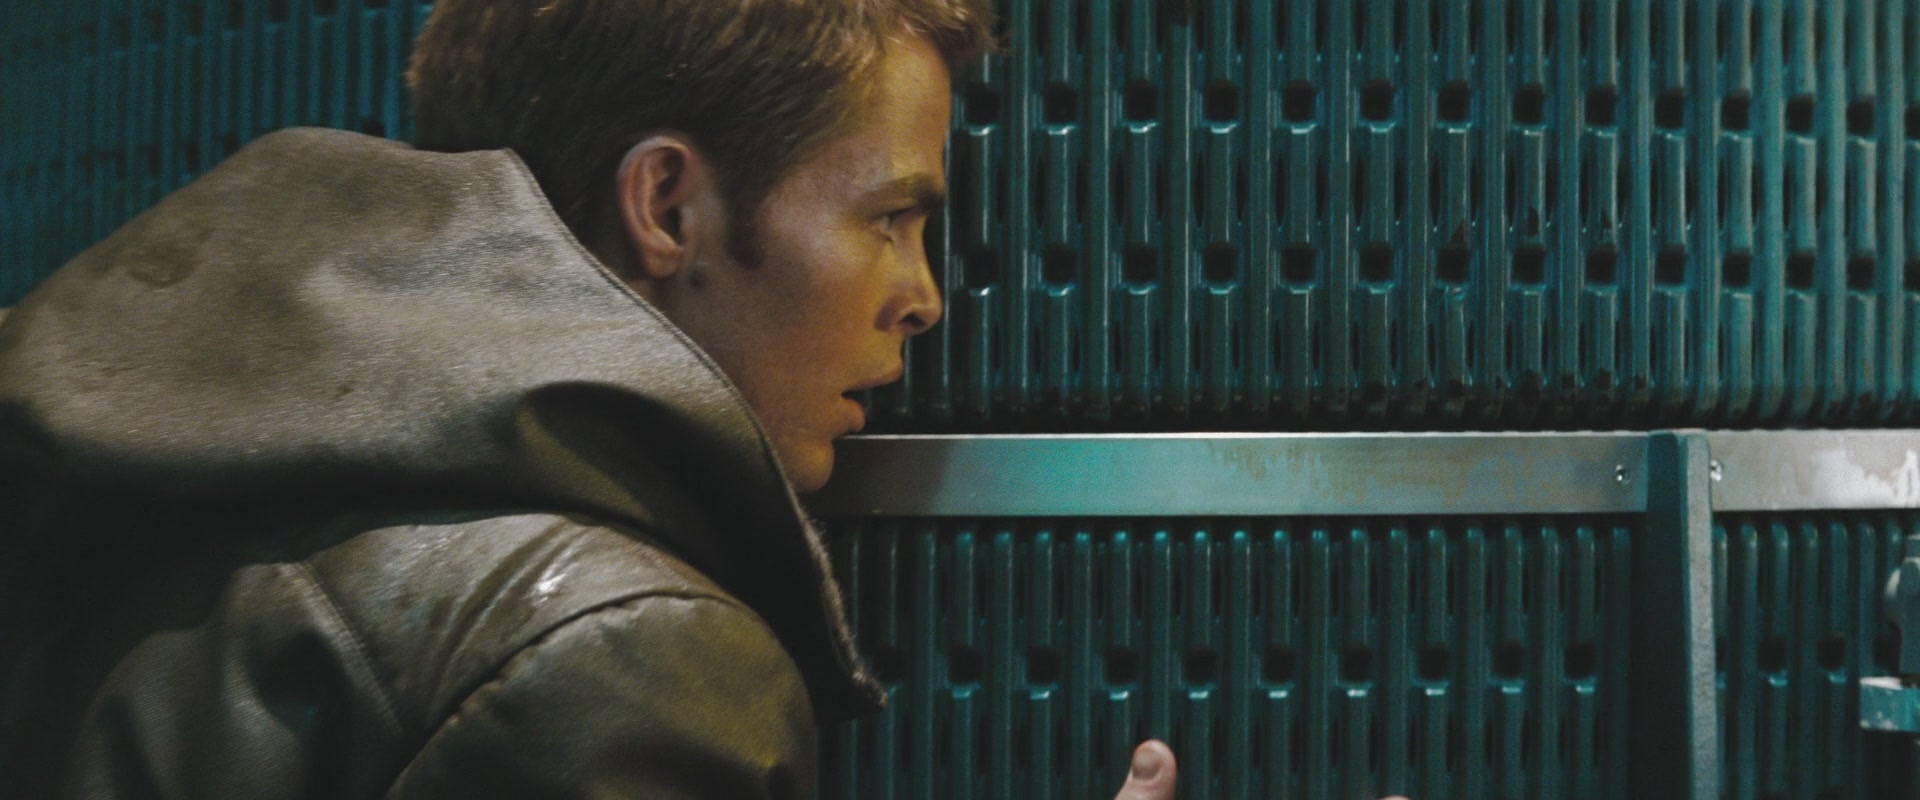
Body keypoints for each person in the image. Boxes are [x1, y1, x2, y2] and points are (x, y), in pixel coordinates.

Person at [0, 1, 1188, 797]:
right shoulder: (614, 651)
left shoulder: (106, 482)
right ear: (666, 206)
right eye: (890, 218)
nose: (922, 297)